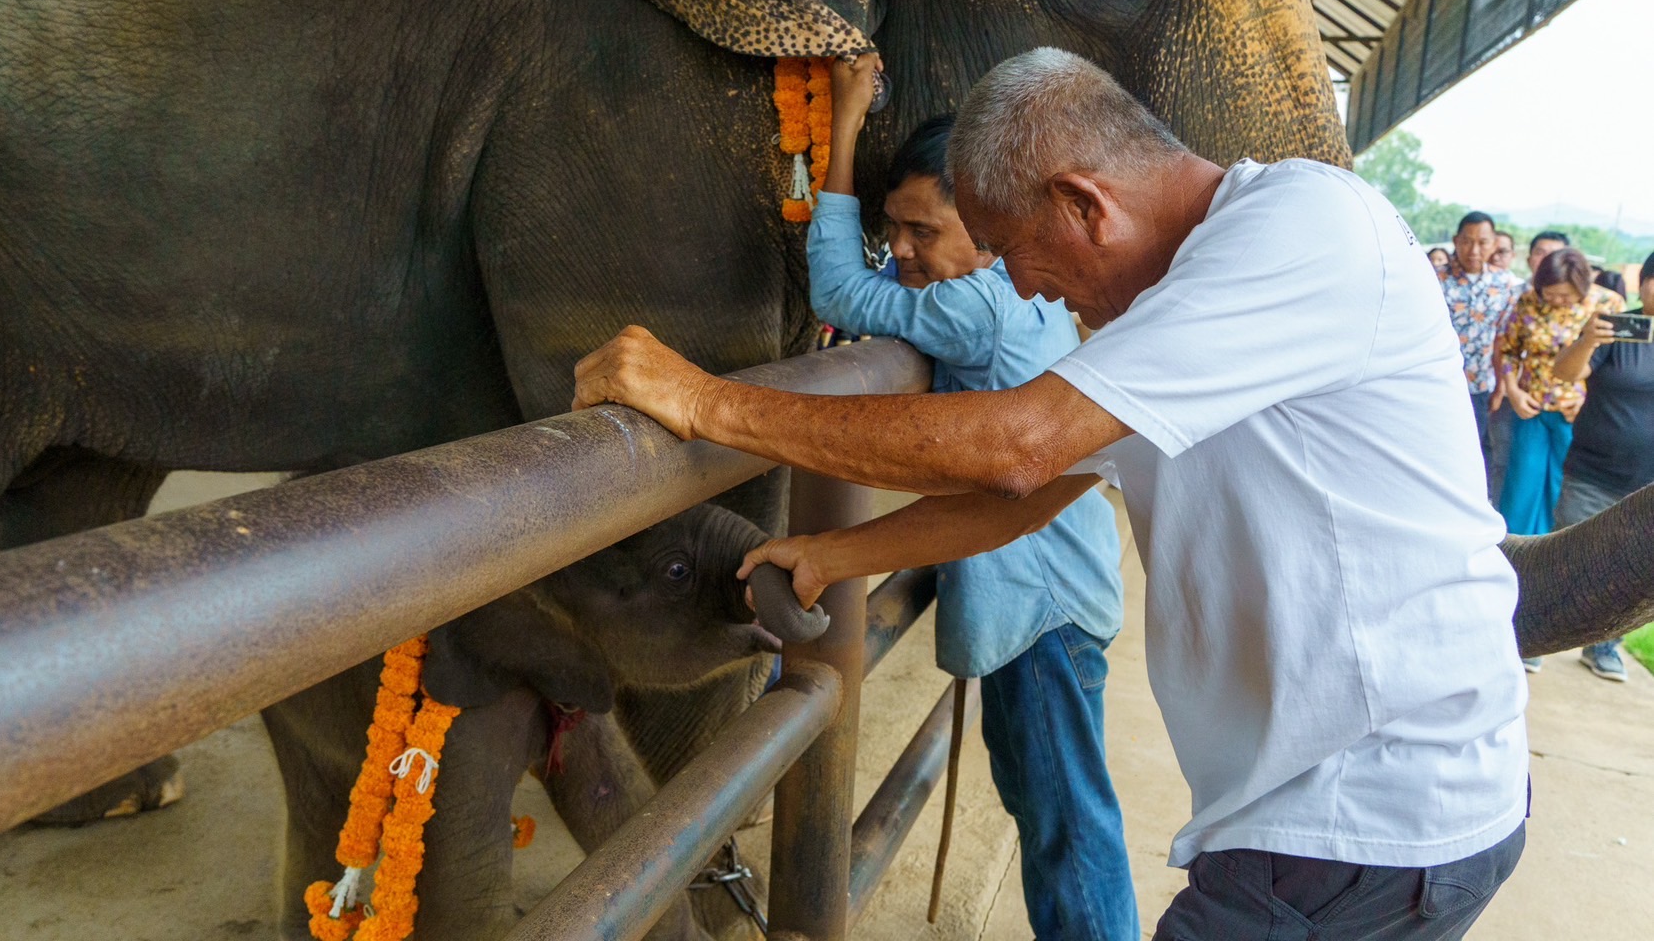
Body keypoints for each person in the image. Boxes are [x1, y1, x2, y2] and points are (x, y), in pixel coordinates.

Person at [576, 47, 1527, 940]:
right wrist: (839, 554)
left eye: (1008, 246)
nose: (1023, 288)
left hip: (1364, 818)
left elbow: (1018, 449)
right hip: (1336, 810)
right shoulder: (1181, 297)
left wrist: (703, 401)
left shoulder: (1301, 231)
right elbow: (1035, 492)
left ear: (1084, 204)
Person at [805, 59, 1136, 941]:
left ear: (989, 231)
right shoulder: (1005, 294)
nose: (904, 250)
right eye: (894, 229)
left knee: (1066, 825)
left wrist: (842, 124)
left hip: (1044, 610)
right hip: (1057, 597)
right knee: (1052, 809)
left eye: (924, 230)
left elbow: (836, 291)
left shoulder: (975, 307)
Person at [1540, 251, 1654, 681]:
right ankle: (1534, 639)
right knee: (1565, 558)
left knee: (1632, 575)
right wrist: (1587, 339)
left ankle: (1604, 647)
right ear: (1642, 283)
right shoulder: (1617, 330)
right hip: (1592, 472)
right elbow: (1565, 373)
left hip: (1647, 487)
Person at [1496, 247, 1626, 537]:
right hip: (1532, 406)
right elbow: (1508, 350)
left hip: (1579, 414)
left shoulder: (1609, 303)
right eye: (1549, 294)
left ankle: (1555, 554)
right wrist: (1514, 391)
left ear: (1582, 287)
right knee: (1521, 486)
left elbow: (1615, 362)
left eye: (1565, 296)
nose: (1556, 301)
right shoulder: (1528, 301)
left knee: (1563, 490)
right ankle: (1516, 550)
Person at [1439, 211, 1521, 472]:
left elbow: (1501, 339)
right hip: (1437, 380)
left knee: (1473, 450)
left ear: (1494, 243)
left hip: (1479, 385)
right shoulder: (1433, 278)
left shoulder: (1505, 284)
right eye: (1466, 241)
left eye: (1482, 242)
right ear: (1455, 240)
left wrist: (1500, 387)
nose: (1474, 250)